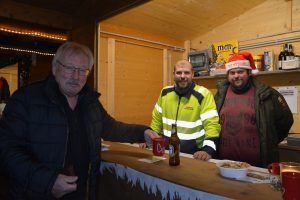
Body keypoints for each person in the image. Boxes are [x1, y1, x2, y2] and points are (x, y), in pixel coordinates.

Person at [0, 42, 156, 200]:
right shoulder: (26, 99)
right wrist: (47, 181)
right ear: (55, 68)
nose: (76, 76)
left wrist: (142, 132)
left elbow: (112, 128)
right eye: (70, 68)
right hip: (37, 194)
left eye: (82, 70)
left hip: (83, 192)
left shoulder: (90, 102)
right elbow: (6, 150)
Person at [214, 52, 294, 167]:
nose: (236, 75)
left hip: (258, 167)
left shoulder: (267, 94)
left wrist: (269, 140)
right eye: (232, 73)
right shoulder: (220, 94)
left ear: (249, 72)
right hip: (224, 164)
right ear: (228, 75)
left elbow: (285, 121)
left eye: (240, 72)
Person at [144, 60, 221, 161]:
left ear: (192, 74)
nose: (183, 76)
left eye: (187, 73)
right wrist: (149, 140)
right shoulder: (165, 93)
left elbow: (212, 125)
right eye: (179, 72)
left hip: (194, 155)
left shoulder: (204, 94)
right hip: (168, 152)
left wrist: (208, 150)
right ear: (174, 74)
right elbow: (156, 121)